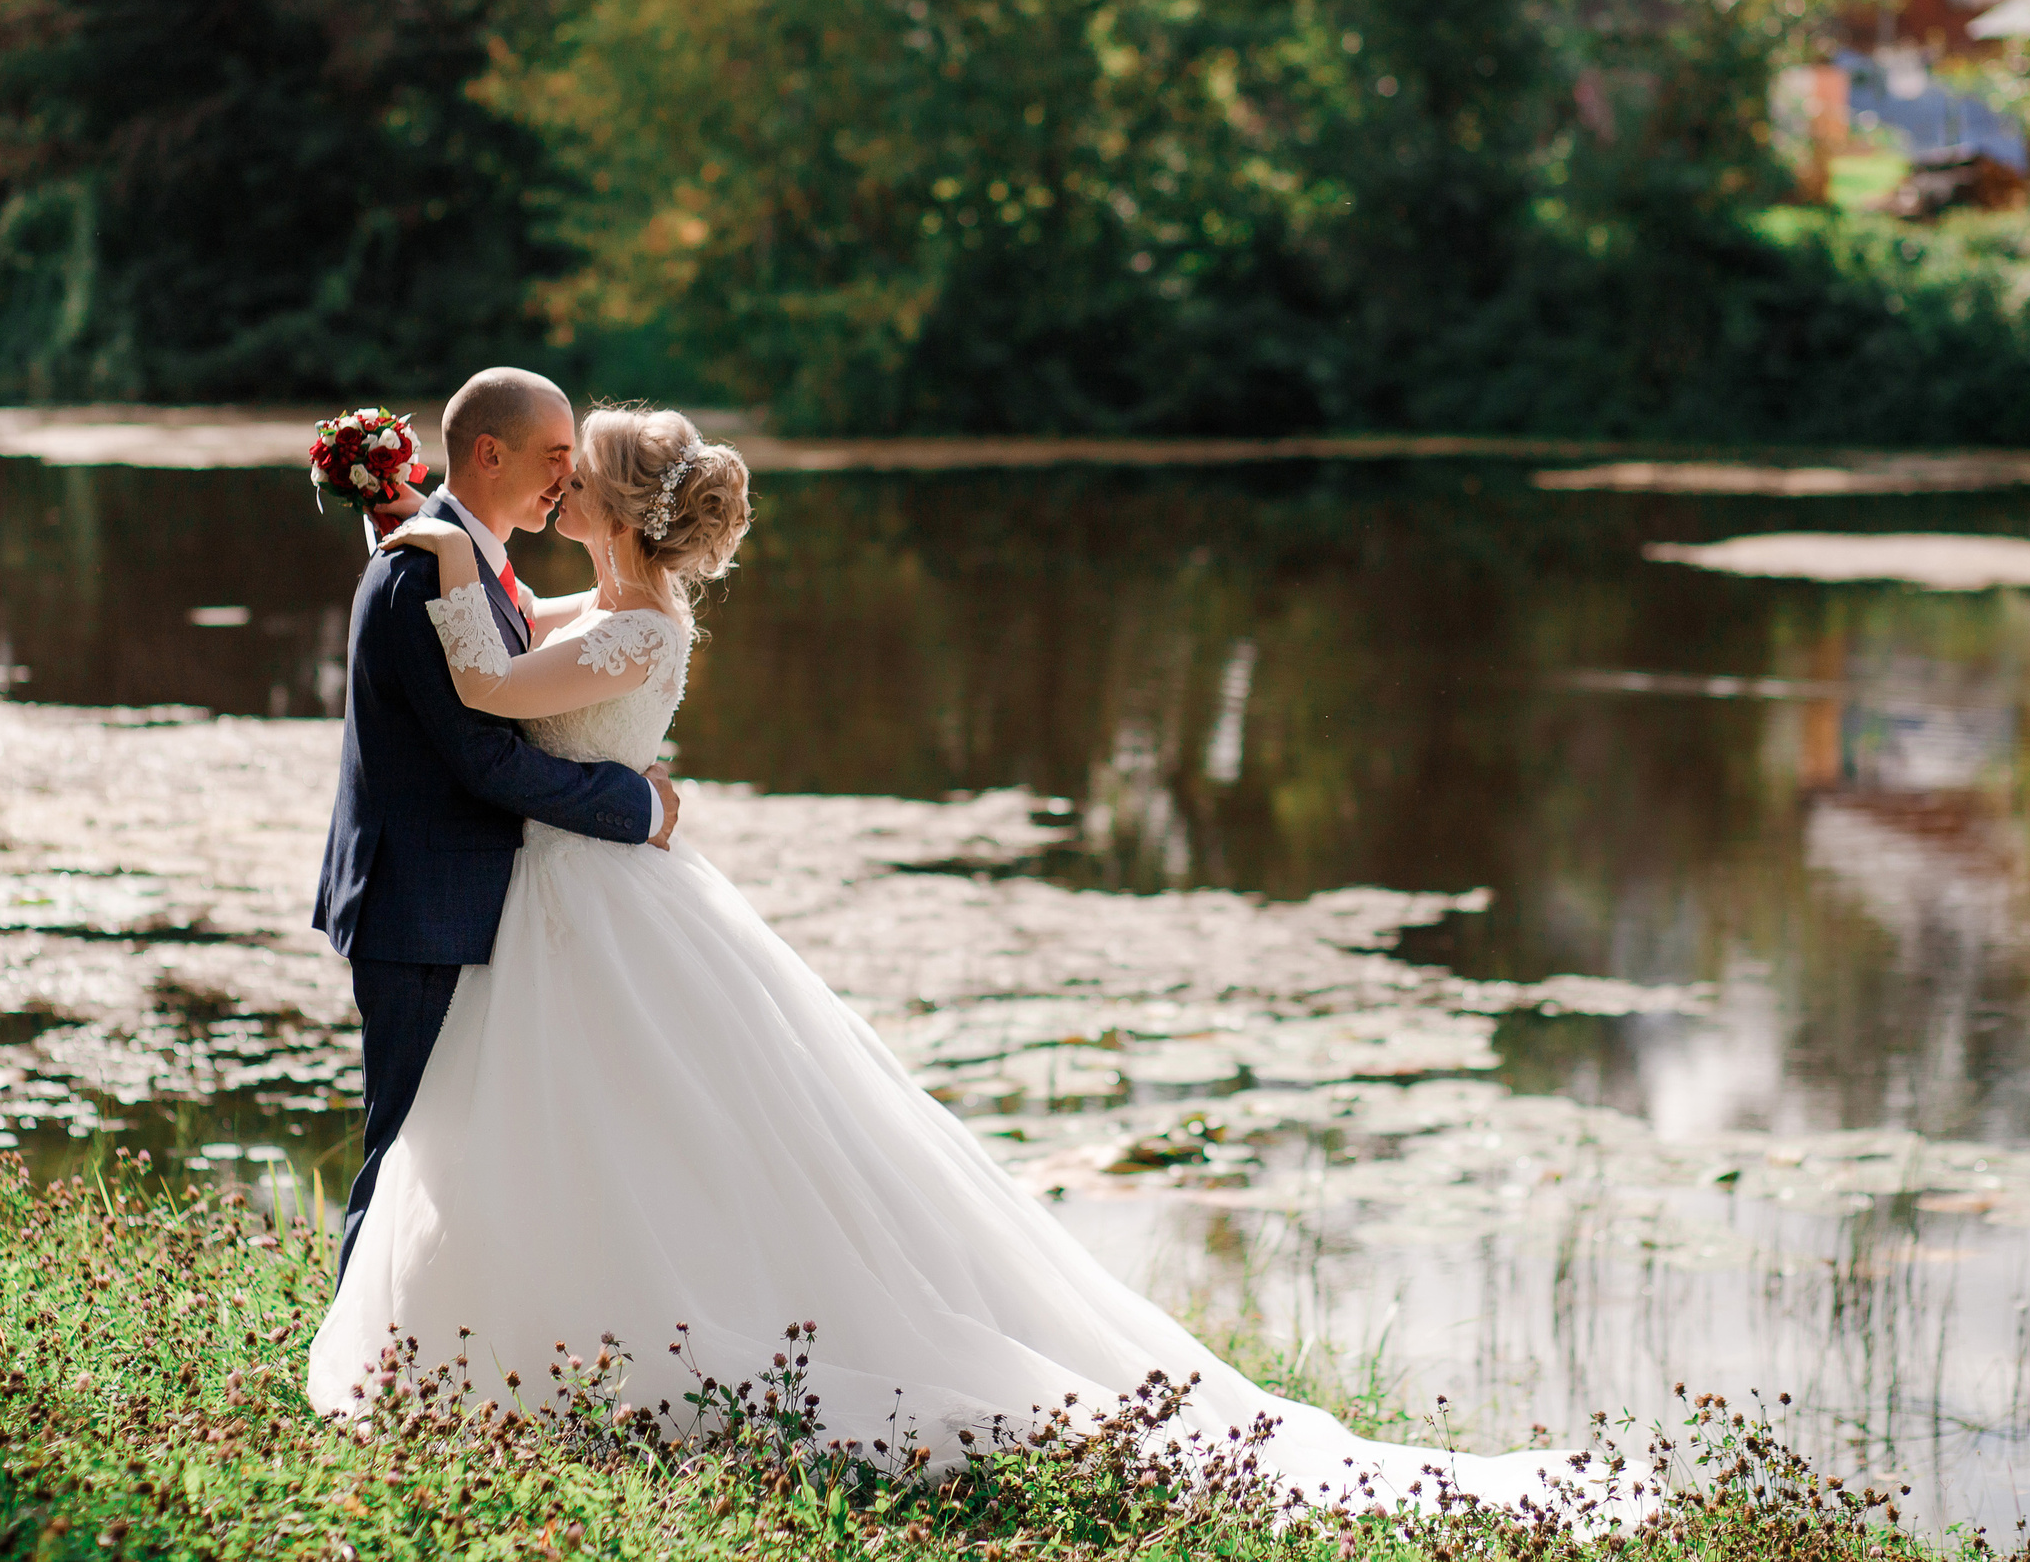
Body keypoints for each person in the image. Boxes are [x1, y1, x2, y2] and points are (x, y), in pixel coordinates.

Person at [307, 404, 1603, 1516]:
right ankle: (534, 1330)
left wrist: (425, 537)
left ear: (620, 508)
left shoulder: (636, 628)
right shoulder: (616, 605)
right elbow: (517, 619)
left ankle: (636, 1339)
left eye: (574, 470)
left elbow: (486, 683)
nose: (556, 483)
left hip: (593, 898)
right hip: (582, 891)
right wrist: (416, 527)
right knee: (598, 1121)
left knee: (638, 1116)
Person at [312, 368, 677, 1279]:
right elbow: (485, 758)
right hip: (418, 905)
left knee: (461, 1154)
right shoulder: (419, 572)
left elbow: (514, 631)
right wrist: (637, 804)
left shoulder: (462, 560)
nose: (566, 477)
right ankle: (360, 1369)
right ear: (490, 454)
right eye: (556, 458)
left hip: (462, 902)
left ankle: (425, 1352)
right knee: (403, 1150)